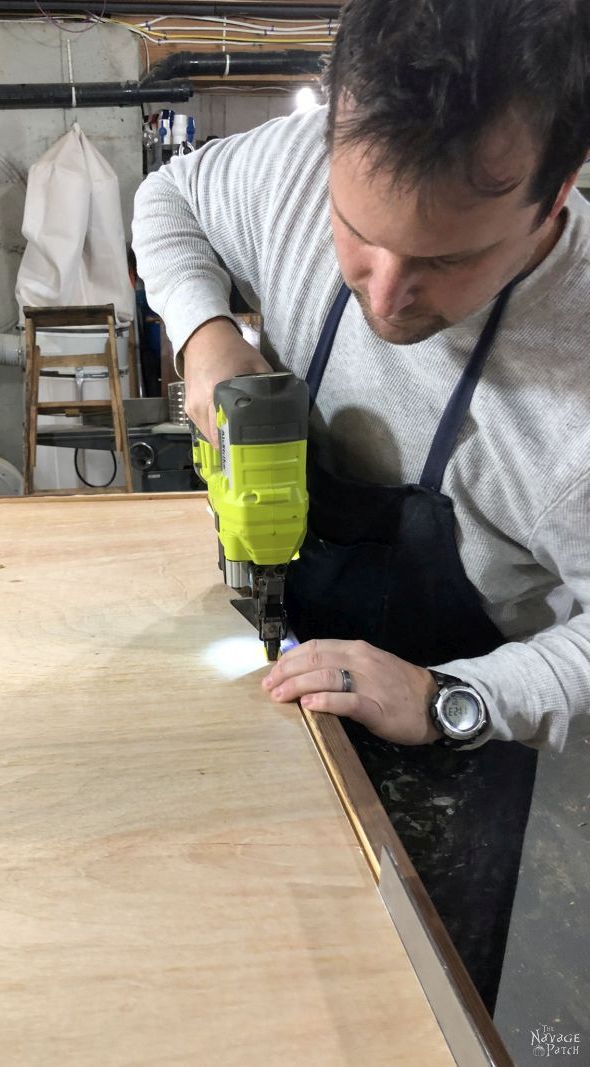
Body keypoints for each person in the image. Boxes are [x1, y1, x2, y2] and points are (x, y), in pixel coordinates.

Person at [132, 0, 590, 1012]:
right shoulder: (295, 167)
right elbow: (166, 200)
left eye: (444, 260)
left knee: (412, 1001)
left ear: (554, 195)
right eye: (358, 233)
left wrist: (450, 699)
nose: (385, 295)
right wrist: (206, 331)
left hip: (468, 741)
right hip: (295, 677)